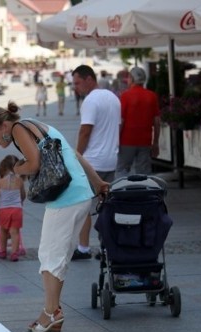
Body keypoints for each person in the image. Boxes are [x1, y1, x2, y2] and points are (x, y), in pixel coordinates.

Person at [0, 101, 110, 332]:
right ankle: (53, 312)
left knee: (49, 256)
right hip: (80, 194)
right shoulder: (37, 125)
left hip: (65, 198)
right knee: (57, 257)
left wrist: (17, 170)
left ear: (3, 126)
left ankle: (51, 313)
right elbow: (75, 154)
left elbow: (34, 164)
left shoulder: (19, 129)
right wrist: (98, 182)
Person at [71, 64, 121, 260]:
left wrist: (77, 155)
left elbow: (86, 131)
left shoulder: (90, 101)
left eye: (77, 83)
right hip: (110, 160)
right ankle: (106, 248)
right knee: (106, 206)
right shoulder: (113, 98)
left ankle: (83, 248)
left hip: (93, 161)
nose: (76, 88)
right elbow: (118, 126)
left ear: (89, 79)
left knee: (83, 206)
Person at [116, 66, 161, 178]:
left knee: (122, 170)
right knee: (144, 173)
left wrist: (115, 140)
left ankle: (123, 193)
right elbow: (157, 121)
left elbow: (121, 121)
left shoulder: (125, 96)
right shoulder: (152, 96)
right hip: (145, 140)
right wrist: (155, 142)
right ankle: (143, 194)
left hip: (127, 140)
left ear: (132, 79)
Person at [0, 155, 26, 262]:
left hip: (4, 210)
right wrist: (21, 202)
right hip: (16, 210)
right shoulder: (19, 181)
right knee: (15, 232)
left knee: (3, 231)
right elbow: (23, 195)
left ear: (2, 168)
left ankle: (3, 251)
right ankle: (14, 253)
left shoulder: (0, 182)